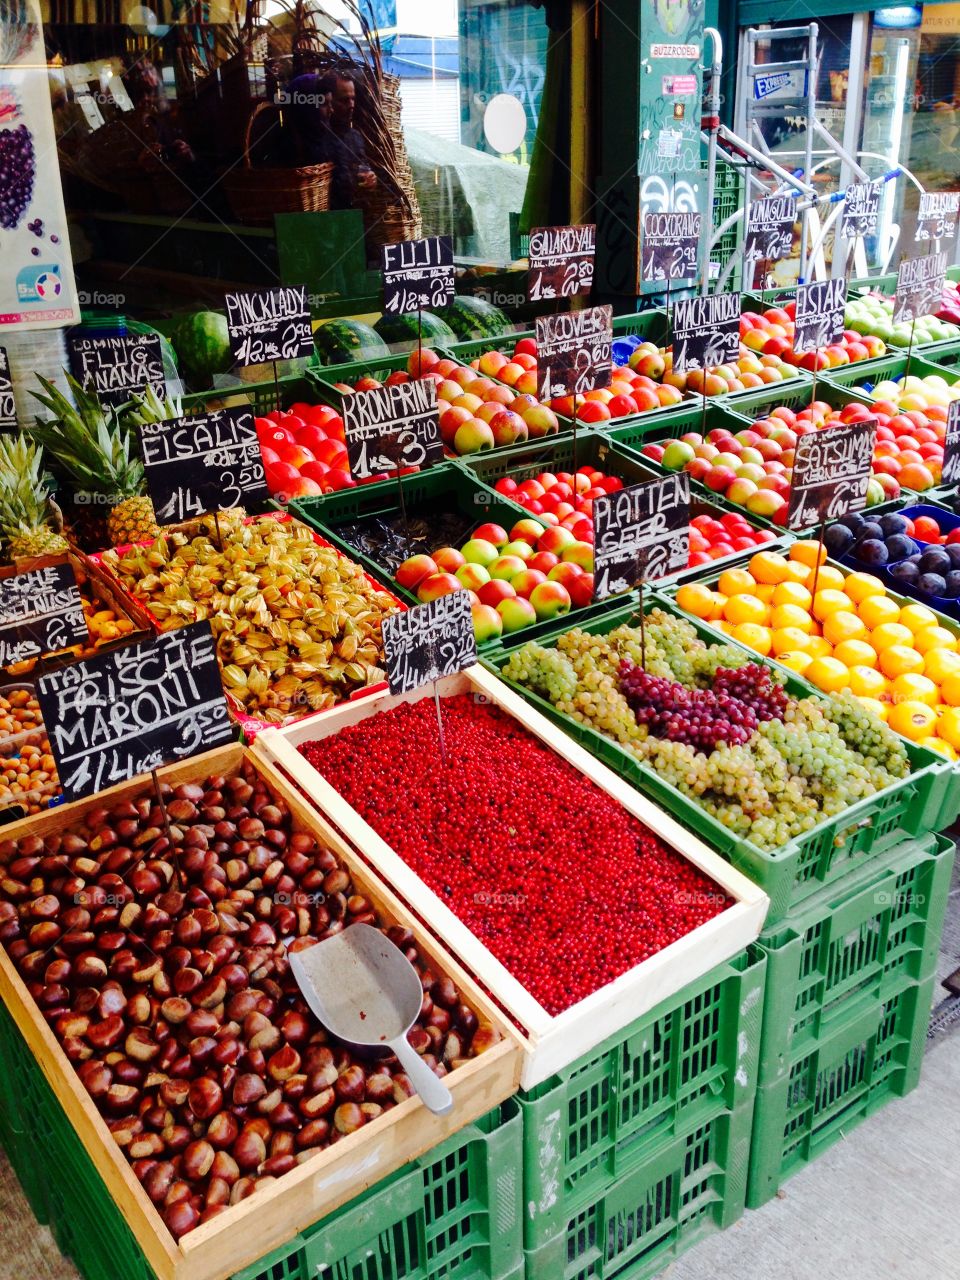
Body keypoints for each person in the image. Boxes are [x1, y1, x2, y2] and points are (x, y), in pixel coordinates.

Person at [284, 69, 376, 209]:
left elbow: (360, 169)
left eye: (353, 99)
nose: (351, 105)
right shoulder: (296, 145)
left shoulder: (354, 137)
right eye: (344, 100)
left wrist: (369, 179)